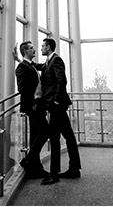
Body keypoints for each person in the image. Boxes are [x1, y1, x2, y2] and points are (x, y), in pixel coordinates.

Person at [40, 37, 81, 184]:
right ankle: (74, 169)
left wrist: (56, 100)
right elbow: (40, 67)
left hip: (57, 105)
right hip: (58, 105)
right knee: (68, 136)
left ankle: (54, 175)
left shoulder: (56, 60)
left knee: (54, 137)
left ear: (49, 47)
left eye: (43, 46)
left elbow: (61, 80)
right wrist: (21, 60)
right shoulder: (49, 61)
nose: (41, 49)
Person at [15, 41, 50, 179]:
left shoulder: (29, 65)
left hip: (38, 105)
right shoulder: (22, 67)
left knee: (35, 136)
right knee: (45, 131)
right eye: (30, 48)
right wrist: (33, 103)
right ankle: (28, 161)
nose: (34, 49)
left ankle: (35, 167)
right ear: (25, 51)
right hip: (33, 106)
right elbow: (22, 88)